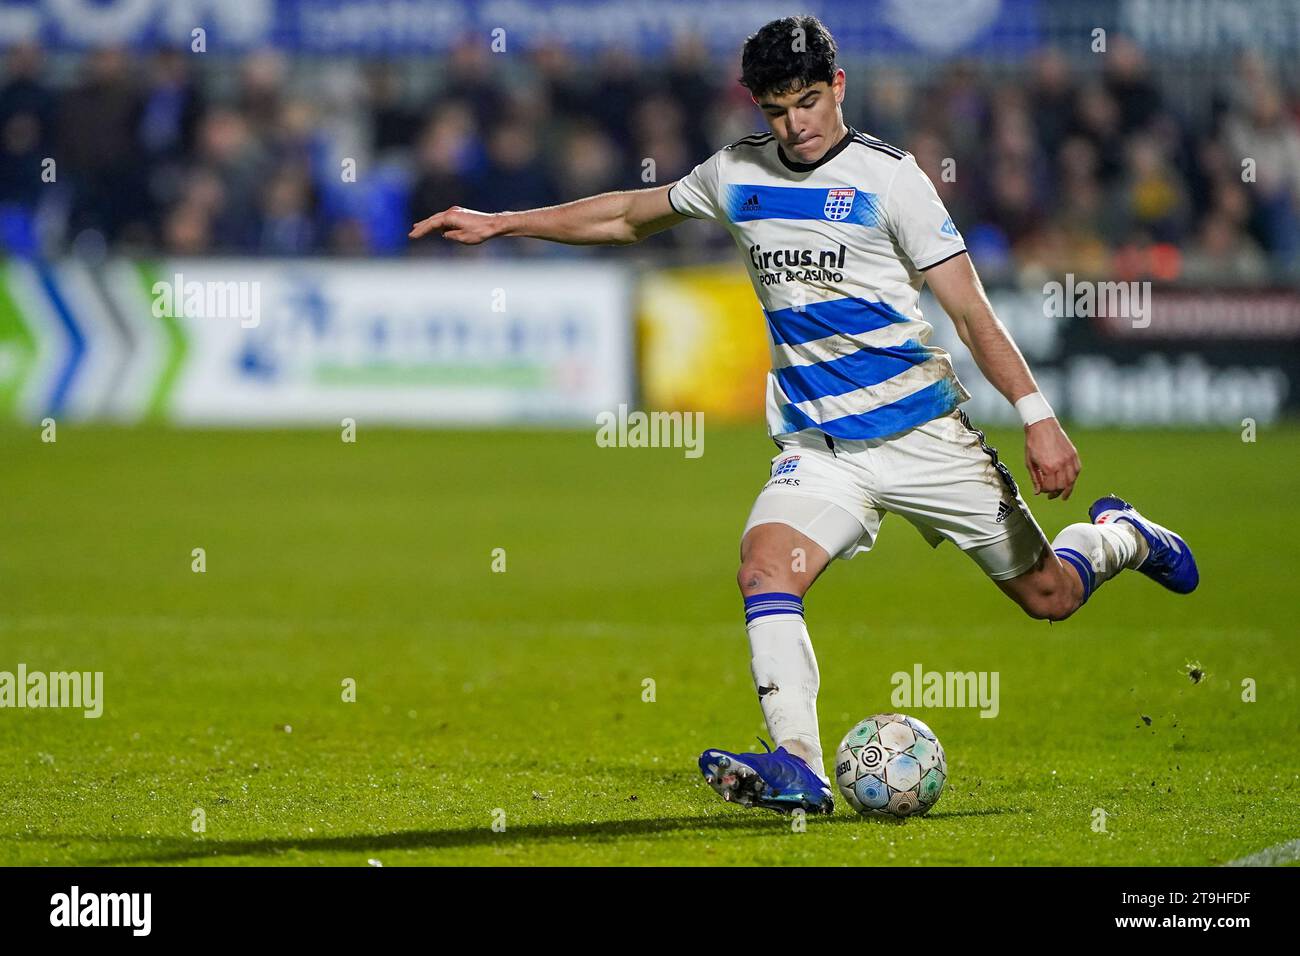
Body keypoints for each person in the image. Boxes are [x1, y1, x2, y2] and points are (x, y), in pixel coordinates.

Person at [409, 16, 1198, 815]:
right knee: (763, 566)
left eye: (811, 102)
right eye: (778, 109)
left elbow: (970, 311)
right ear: (756, 105)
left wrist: (1037, 416)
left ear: (839, 87)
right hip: (821, 449)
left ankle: (1122, 535)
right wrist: (506, 223)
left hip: (923, 436)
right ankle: (799, 766)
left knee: (1050, 596)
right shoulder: (735, 173)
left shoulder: (893, 181)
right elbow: (627, 215)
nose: (798, 123)